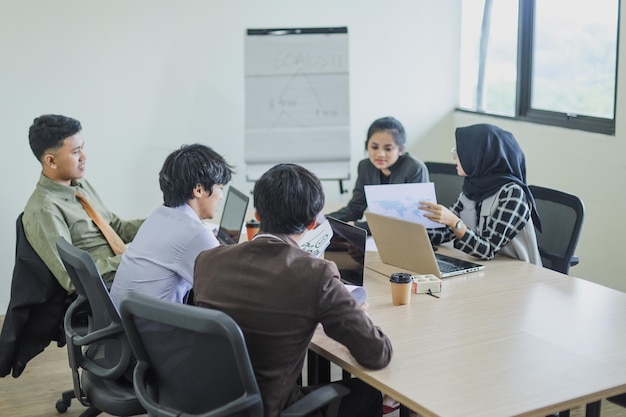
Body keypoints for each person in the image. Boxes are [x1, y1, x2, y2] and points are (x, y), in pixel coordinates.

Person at [193, 163, 393, 417]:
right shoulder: (315, 273)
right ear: (312, 223)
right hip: (269, 409)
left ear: (258, 213)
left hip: (212, 401)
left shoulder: (207, 260)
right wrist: (357, 313)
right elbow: (377, 354)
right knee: (369, 393)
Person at [23, 114, 143, 292]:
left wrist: (160, 222)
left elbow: (114, 227)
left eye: (82, 148)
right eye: (75, 151)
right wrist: (131, 259)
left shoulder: (80, 186)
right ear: (51, 161)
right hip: (107, 292)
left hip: (125, 274)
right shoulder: (45, 209)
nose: (84, 157)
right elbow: (74, 278)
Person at [109, 144, 234, 309]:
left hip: (125, 322)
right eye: (220, 188)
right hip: (154, 329)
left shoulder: (159, 215)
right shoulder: (196, 234)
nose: (221, 196)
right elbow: (225, 293)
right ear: (198, 190)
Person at [419, 123, 542, 265]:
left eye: (460, 152)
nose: (455, 157)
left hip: (519, 274)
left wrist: (454, 222)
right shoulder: (473, 187)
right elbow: (446, 233)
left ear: (478, 155)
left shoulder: (512, 194)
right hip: (487, 269)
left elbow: (487, 250)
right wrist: (411, 234)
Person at [328, 116, 429, 230]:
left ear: (401, 149)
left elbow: (411, 218)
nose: (380, 154)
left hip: (409, 234)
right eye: (374, 147)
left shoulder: (415, 169)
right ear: (367, 146)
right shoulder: (365, 167)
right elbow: (355, 209)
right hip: (378, 234)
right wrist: (324, 221)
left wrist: (360, 226)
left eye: (388, 149)